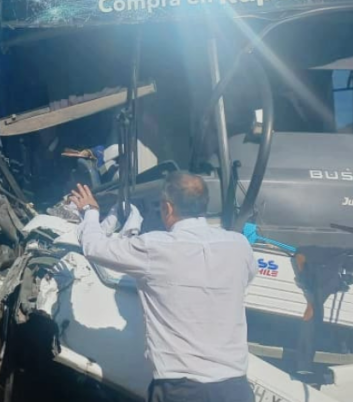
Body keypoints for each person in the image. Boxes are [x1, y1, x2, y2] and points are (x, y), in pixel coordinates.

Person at [69, 172, 257, 402]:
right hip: (236, 388)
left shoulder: (155, 247)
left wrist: (90, 212)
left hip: (182, 391)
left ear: (167, 208)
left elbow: (95, 248)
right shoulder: (239, 246)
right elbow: (243, 281)